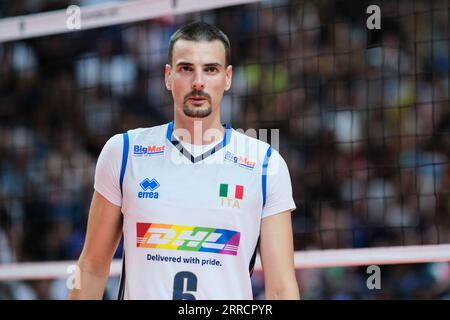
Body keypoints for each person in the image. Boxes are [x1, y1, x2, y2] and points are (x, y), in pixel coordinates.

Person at [69, 21, 300, 300]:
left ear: (227, 78)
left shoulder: (265, 166)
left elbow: (280, 289)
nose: (198, 82)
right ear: (168, 77)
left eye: (210, 69)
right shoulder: (124, 152)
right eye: (186, 69)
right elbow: (92, 267)